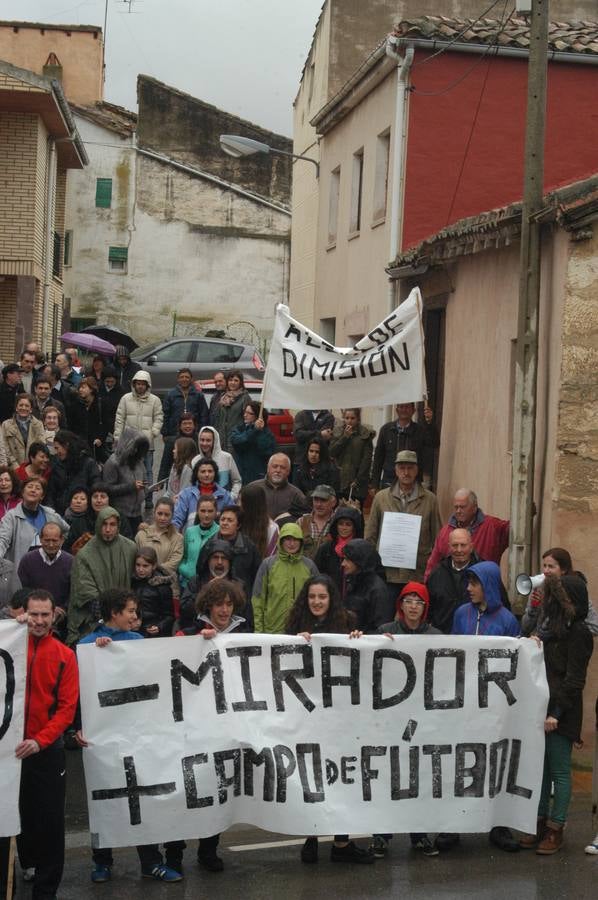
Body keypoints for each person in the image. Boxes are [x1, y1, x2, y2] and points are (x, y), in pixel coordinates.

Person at [77, 588, 184, 882]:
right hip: (103, 735)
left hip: (135, 733)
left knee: (141, 796)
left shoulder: (137, 641)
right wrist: (78, 727)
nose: (136, 616)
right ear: (115, 613)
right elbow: (81, 692)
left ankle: (151, 862)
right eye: (131, 611)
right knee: (105, 797)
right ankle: (102, 861)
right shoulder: (87, 645)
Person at [286, 575, 374, 865]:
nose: (316, 602)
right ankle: (310, 839)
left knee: (341, 777)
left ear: (331, 598)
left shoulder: (347, 621)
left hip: (340, 716)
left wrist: (359, 641)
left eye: (322, 597)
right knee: (312, 777)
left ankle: (341, 843)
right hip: (308, 715)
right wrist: (293, 643)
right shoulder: (295, 623)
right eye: (312, 597)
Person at [442, 560, 520, 854]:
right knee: (459, 762)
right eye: (468, 583)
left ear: (487, 585)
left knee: (494, 762)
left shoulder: (508, 620)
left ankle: (498, 825)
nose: (469, 588)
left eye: (474, 583)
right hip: (462, 703)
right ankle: (454, 827)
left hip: (493, 707)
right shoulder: (462, 613)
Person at [175, 578, 248, 872]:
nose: (225, 610)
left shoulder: (242, 634)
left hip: (225, 724)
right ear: (208, 606)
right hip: (194, 723)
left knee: (218, 787)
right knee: (187, 790)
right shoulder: (191, 632)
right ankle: (175, 854)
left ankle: (208, 849)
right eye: (219, 604)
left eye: (229, 604)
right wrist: (193, 643)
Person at [522, 575, 593, 854]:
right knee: (542, 770)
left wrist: (557, 713)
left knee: (560, 771)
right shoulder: (553, 629)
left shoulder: (579, 633)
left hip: (562, 712)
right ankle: (539, 822)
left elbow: (575, 680)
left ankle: (556, 827)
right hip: (544, 707)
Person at [15, 589, 78, 899]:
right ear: (23, 614)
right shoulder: (10, 647)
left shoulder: (65, 656)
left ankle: (45, 888)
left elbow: (67, 710)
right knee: (17, 813)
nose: (39, 621)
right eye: (33, 614)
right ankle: (27, 863)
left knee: (50, 821)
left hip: (46, 750)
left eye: (44, 615)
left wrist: (40, 742)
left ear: (54, 616)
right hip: (11, 751)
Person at [371, 582, 441, 860]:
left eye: (419, 602)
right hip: (390, 717)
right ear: (400, 604)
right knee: (388, 775)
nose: (413, 606)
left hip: (420, 718)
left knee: (418, 776)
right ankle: (381, 835)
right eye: (408, 600)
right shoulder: (384, 632)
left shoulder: (436, 636)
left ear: (425, 608)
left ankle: (419, 834)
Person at [365, 450, 441, 608]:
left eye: (410, 468)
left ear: (417, 470)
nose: (406, 472)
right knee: (384, 617)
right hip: (387, 573)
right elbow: (371, 535)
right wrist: (372, 568)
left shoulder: (430, 500)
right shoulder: (381, 498)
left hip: (417, 574)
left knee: (414, 619)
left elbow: (437, 538)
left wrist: (430, 570)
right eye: (402, 468)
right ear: (396, 470)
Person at [67, 506, 137, 646]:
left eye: (112, 525)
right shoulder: (84, 554)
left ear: (118, 526)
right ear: (98, 525)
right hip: (94, 620)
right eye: (104, 524)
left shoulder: (130, 548)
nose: (108, 529)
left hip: (126, 616)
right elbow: (85, 592)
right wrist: (109, 616)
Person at [424, 488, 510, 579]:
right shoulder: (445, 532)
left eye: (462, 507)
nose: (458, 511)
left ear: (474, 507)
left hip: (483, 587)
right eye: (456, 507)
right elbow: (433, 565)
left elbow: (515, 531)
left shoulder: (493, 527)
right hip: (452, 589)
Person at [252, 522, 318, 634]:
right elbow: (258, 599)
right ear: (280, 540)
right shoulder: (268, 564)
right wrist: (259, 631)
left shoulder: (309, 566)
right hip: (272, 630)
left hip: (302, 631)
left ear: (301, 542)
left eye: (295, 539)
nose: (291, 544)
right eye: (288, 539)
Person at [18, 522, 73, 635]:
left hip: (63, 624)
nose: (51, 544)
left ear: (62, 540)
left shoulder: (71, 562)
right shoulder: (27, 561)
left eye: (55, 540)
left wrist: (61, 610)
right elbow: (24, 592)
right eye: (47, 540)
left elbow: (74, 593)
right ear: (40, 539)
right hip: (33, 621)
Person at [113, 371, 163, 495]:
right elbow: (120, 419)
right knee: (129, 470)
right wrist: (118, 437)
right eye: (138, 384)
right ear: (134, 384)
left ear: (147, 385)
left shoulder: (155, 400)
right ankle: (131, 495)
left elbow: (159, 418)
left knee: (148, 471)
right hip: (129, 443)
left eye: (143, 384)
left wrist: (152, 433)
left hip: (147, 444)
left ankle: (148, 497)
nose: (140, 386)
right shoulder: (125, 399)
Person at [0, 476, 68, 566]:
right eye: (30, 486)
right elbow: (3, 540)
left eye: (37, 488)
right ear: (23, 492)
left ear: (42, 496)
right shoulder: (11, 517)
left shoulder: (50, 514)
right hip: (20, 571)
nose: (33, 490)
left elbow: (66, 531)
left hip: (48, 568)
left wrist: (57, 547)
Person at [371, 401, 439, 490]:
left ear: (413, 410)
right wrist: (374, 484)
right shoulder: (386, 430)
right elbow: (378, 458)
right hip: (389, 480)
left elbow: (434, 443)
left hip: (413, 480)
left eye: (407, 407)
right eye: (401, 407)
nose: (404, 410)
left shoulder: (420, 430)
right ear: (396, 410)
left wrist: (430, 423)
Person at [426, 528, 482, 633]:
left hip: (474, 637)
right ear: (449, 547)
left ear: (471, 547)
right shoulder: (437, 572)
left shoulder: (482, 572)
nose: (459, 550)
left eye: (463, 545)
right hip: (442, 637)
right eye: (455, 545)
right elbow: (428, 608)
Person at [521, 547, 579, 636]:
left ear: (564, 570)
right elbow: (525, 628)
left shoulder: (574, 591)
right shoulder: (538, 589)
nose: (545, 571)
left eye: (551, 567)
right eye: (544, 566)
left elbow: (594, 626)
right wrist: (533, 608)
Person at [103, 428, 150, 534]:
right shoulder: (113, 463)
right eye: (135, 447)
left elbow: (145, 480)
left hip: (137, 512)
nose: (136, 450)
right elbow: (107, 489)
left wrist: (146, 488)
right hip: (120, 513)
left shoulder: (139, 461)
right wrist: (131, 487)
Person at [45, 429, 101, 516]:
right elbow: (51, 493)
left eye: (57, 448)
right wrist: (51, 512)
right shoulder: (56, 464)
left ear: (66, 445)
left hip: (84, 514)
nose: (56, 452)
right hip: (60, 514)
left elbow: (96, 487)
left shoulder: (88, 463)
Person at [341, 538, 391, 631]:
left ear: (359, 561)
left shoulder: (377, 589)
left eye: (347, 560)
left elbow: (380, 627)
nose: (343, 564)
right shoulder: (353, 581)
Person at [329, 408, 375, 506]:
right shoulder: (338, 431)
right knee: (340, 511)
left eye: (352, 418)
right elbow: (332, 452)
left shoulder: (365, 434)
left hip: (357, 480)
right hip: (341, 478)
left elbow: (366, 460)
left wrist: (358, 479)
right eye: (347, 418)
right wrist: (345, 437)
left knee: (357, 511)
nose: (349, 421)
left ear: (358, 419)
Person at [173, 459, 234, 531]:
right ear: (197, 474)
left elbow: (232, 517)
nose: (207, 474)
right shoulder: (186, 494)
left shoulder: (225, 495)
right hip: (190, 538)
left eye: (210, 471)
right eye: (203, 471)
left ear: (215, 473)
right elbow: (177, 519)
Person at [216, 505, 261, 601]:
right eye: (222, 519)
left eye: (230, 520)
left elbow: (257, 577)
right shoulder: (210, 544)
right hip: (216, 599)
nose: (225, 523)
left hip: (243, 600)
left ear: (238, 525)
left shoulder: (249, 547)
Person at [314, 506, 363, 594]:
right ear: (335, 525)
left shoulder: (362, 550)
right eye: (341, 524)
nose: (344, 528)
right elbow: (317, 575)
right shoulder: (325, 549)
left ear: (354, 527)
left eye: (348, 524)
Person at [135, 496, 184, 578]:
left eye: (167, 515)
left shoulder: (178, 539)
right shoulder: (142, 535)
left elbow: (173, 564)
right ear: (154, 513)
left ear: (172, 516)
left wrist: (152, 570)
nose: (162, 518)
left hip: (164, 583)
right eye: (160, 513)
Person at [248, 453, 307, 520]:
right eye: (275, 466)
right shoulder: (252, 488)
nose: (278, 470)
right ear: (268, 468)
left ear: (288, 471)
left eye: (282, 468)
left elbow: (306, 517)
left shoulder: (296, 494)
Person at [132, 547, 176, 637]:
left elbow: (169, 615)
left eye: (145, 566)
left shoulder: (162, 586)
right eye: (138, 565)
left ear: (154, 566)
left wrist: (159, 627)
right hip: (134, 630)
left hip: (153, 633)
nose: (140, 569)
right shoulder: (131, 582)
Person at [177, 495, 220, 588]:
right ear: (197, 511)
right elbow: (184, 556)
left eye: (210, 511)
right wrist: (185, 570)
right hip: (187, 584)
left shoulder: (220, 532)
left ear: (216, 512)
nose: (206, 515)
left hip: (209, 585)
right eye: (203, 511)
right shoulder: (190, 531)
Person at [230, 402, 277, 484]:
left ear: (258, 416)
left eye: (250, 413)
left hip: (257, 475)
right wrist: (254, 430)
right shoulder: (239, 428)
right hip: (240, 474)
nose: (245, 415)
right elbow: (237, 442)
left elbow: (266, 451)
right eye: (245, 412)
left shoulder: (267, 433)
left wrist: (260, 431)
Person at [68, 376, 111, 462]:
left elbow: (106, 424)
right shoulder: (75, 406)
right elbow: (71, 426)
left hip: (96, 446)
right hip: (80, 446)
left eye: (83, 387)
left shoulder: (101, 404)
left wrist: (100, 438)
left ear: (91, 389)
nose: (80, 390)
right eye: (79, 387)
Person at [191, 425, 242, 498]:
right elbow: (192, 484)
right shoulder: (195, 460)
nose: (204, 443)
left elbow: (237, 481)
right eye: (202, 440)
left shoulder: (227, 457)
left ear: (215, 441)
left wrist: (232, 496)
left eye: (208, 440)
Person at [1, 393, 46, 469]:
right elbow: (5, 449)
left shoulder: (38, 424)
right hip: (13, 468)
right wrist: (17, 468)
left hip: (33, 467)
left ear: (31, 409)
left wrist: (30, 468)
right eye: (21, 405)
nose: (23, 408)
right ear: (16, 407)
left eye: (27, 406)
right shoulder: (6, 425)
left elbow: (41, 446)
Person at [161, 367, 208, 437]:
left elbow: (204, 415)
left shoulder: (198, 395)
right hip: (174, 433)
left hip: (194, 434)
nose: (184, 379)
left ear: (191, 379)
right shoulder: (170, 395)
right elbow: (166, 415)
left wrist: (202, 431)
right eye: (181, 377)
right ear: (178, 379)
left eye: (187, 377)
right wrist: (165, 433)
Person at [296, 483, 338, 559]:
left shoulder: (338, 523)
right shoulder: (301, 522)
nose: (318, 504)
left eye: (323, 500)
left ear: (333, 503)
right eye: (316, 500)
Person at [157, 411, 198, 484]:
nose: (187, 426)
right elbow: (165, 463)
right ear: (180, 426)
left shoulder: (199, 440)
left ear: (194, 425)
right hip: (175, 478)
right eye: (184, 424)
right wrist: (160, 482)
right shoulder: (172, 442)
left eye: (190, 423)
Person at [214, 369, 251, 452]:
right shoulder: (223, 397)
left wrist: (241, 437)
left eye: (236, 380)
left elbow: (248, 420)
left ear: (240, 382)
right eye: (230, 380)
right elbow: (218, 419)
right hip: (222, 442)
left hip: (236, 441)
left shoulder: (245, 398)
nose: (233, 383)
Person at [239, 482, 279, 558]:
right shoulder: (237, 522)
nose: (238, 504)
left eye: (241, 501)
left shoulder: (272, 528)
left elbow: (271, 559)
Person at [62, 486, 95, 553]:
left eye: (82, 499)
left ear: (88, 503)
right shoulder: (61, 520)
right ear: (70, 501)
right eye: (75, 498)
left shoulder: (91, 521)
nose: (78, 501)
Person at [98, 366, 123, 437]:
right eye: (107, 382)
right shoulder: (98, 389)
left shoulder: (121, 392)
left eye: (112, 382)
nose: (109, 384)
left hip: (114, 425)